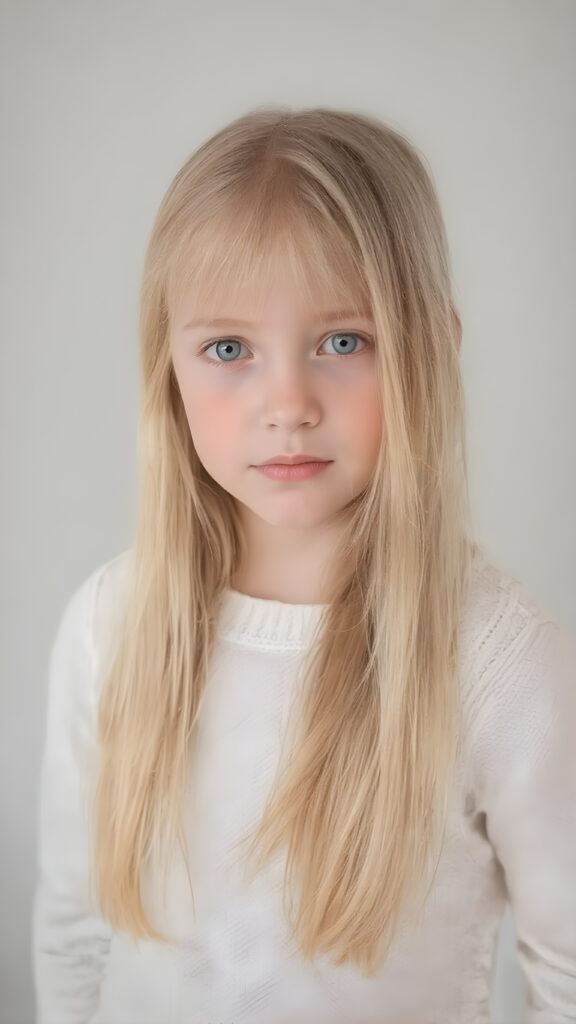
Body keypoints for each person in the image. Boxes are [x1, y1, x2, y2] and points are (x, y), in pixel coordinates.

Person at [32, 106, 576, 1024]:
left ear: (430, 346)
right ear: (168, 367)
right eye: (229, 349)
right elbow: (75, 934)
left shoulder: (496, 659)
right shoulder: (111, 625)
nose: (287, 403)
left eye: (342, 342)